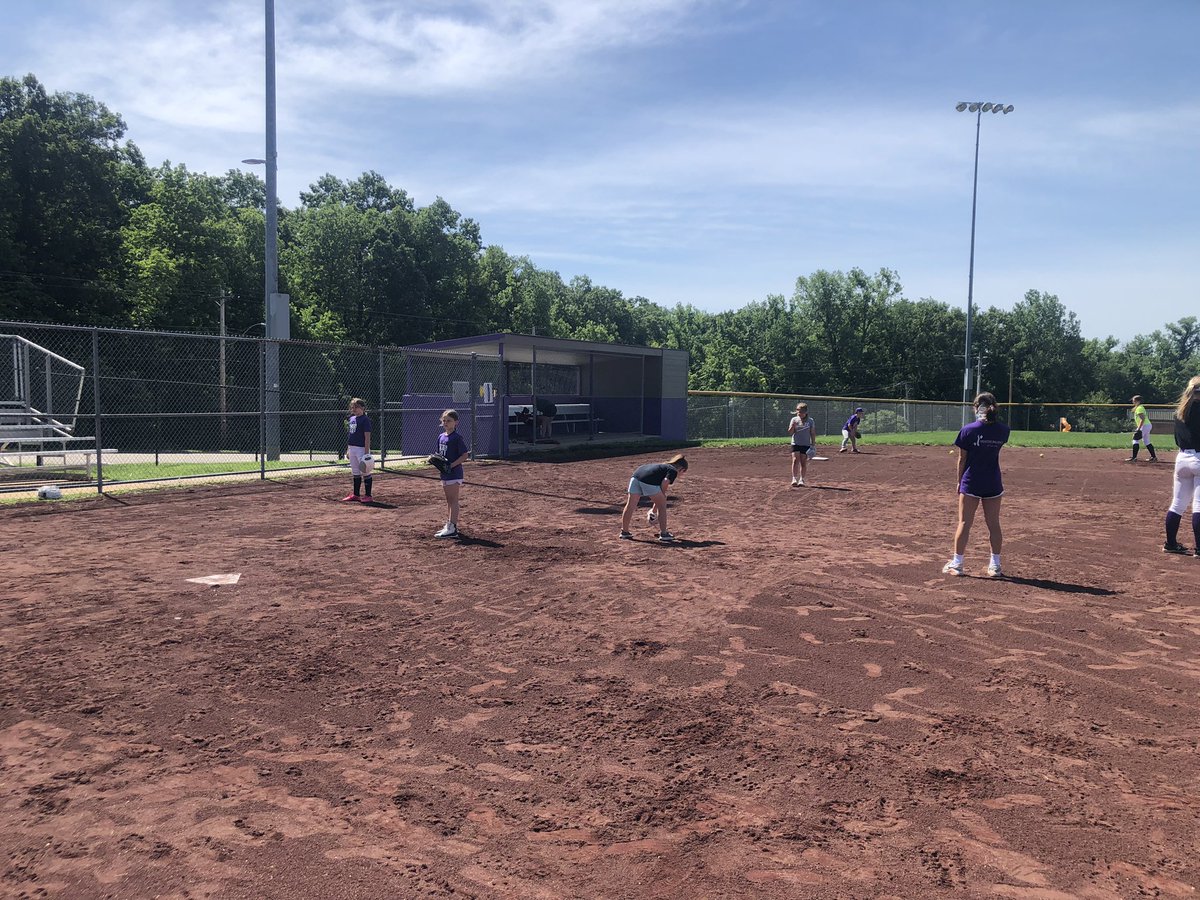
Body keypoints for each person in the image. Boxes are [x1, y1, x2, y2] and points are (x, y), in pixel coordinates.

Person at [943, 392, 1010, 578]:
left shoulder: (968, 430)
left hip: (971, 481)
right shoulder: (1003, 430)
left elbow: (962, 459)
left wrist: (959, 481)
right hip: (993, 482)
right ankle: (995, 566)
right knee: (994, 524)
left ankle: (957, 564)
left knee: (964, 523)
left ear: (976, 408)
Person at [1162, 376, 1200, 555]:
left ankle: (1170, 543)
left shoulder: (1180, 411)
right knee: (1199, 505)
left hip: (1182, 459)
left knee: (1177, 504)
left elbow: (1177, 439)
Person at [619, 454, 688, 543]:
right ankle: (664, 534)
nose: (682, 475)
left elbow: (657, 493)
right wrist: (662, 497)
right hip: (647, 480)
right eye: (683, 472)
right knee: (662, 505)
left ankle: (624, 532)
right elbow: (665, 482)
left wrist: (654, 510)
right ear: (682, 469)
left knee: (630, 505)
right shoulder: (673, 470)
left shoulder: (661, 467)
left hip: (636, 477)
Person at [434, 409, 470, 538]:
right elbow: (439, 454)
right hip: (445, 473)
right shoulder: (441, 437)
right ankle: (449, 524)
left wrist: (451, 465)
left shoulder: (456, 438)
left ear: (456, 423)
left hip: (454, 473)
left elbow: (465, 455)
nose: (446, 423)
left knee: (453, 500)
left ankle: (453, 527)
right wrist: (434, 461)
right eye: (444, 420)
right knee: (449, 500)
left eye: (449, 421)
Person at [341, 398, 373, 503]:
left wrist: (366, 452)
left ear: (363, 408)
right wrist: (348, 450)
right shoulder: (352, 418)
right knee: (355, 471)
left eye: (356, 407)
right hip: (352, 447)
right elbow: (350, 435)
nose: (354, 409)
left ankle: (368, 495)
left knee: (365, 471)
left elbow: (367, 436)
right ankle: (356, 494)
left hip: (361, 448)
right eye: (353, 407)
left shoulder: (365, 419)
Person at [787, 402, 817, 486]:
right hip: (795, 443)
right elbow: (790, 432)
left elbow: (812, 432)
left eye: (801, 412)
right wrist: (793, 426)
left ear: (806, 412)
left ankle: (802, 479)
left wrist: (813, 444)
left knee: (803, 462)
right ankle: (794, 478)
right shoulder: (794, 419)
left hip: (805, 444)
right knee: (795, 460)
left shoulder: (810, 421)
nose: (800, 414)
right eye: (798, 412)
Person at [1128, 394, 1159, 463]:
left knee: (1135, 439)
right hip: (1147, 425)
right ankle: (1153, 457)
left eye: (1134, 401)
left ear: (1138, 401)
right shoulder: (1140, 407)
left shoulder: (1139, 408)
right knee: (1146, 441)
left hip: (1144, 425)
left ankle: (1134, 457)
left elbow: (1142, 419)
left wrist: (1138, 429)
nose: (1133, 402)